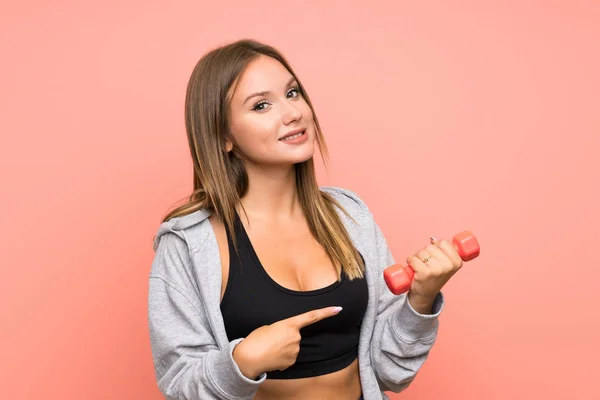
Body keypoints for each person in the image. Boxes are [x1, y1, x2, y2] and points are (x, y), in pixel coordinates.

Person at [147, 39, 463, 400]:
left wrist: (420, 301)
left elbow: (390, 372)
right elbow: (179, 385)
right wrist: (242, 362)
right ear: (223, 137)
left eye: (293, 93)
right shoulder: (189, 244)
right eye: (262, 105)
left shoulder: (349, 218)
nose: (293, 112)